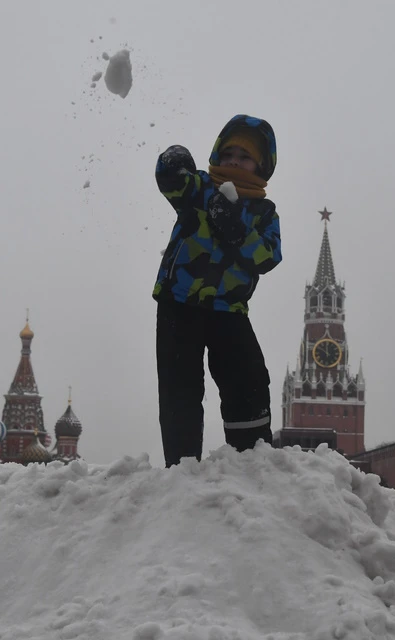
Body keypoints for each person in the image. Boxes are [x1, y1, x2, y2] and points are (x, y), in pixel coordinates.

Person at [152, 114, 282, 467]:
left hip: (230, 309)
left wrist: (236, 226)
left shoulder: (263, 212)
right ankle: (182, 466)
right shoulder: (202, 188)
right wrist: (172, 161)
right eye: (229, 153)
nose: (234, 161)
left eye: (245, 156)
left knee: (248, 378)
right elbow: (171, 183)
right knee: (181, 386)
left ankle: (251, 458)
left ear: (261, 165)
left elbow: (268, 256)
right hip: (179, 303)